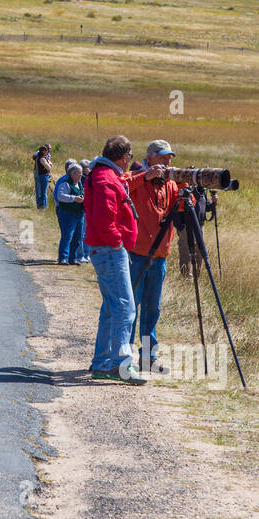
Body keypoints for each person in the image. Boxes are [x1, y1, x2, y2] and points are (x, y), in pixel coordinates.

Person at [85, 135, 163, 384]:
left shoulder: (105, 174)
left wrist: (145, 176)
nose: (130, 160)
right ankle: (121, 365)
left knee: (111, 307)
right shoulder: (105, 178)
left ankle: (102, 363)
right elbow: (103, 219)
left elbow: (124, 186)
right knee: (126, 308)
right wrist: (118, 242)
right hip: (110, 251)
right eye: (129, 156)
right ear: (123, 156)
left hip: (106, 249)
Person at [128, 140, 179, 375]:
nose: (168, 161)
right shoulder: (137, 176)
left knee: (152, 308)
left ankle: (148, 357)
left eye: (169, 157)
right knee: (131, 308)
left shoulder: (169, 184)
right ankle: (124, 356)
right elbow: (121, 186)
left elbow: (181, 210)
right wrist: (145, 177)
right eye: (163, 156)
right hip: (136, 255)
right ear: (149, 157)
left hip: (160, 256)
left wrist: (190, 189)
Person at [53, 161, 85, 264]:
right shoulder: (65, 184)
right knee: (67, 236)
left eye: (81, 172)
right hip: (67, 214)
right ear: (72, 173)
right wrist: (74, 198)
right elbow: (60, 196)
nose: (81, 175)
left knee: (78, 237)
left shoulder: (79, 184)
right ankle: (63, 258)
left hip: (79, 214)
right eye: (79, 173)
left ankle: (73, 258)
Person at [32, 144, 52, 208]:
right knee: (41, 191)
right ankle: (42, 206)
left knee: (42, 191)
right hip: (41, 175)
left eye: (49, 149)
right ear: (43, 151)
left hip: (42, 174)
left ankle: (40, 205)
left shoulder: (44, 156)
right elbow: (48, 166)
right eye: (47, 149)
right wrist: (49, 164)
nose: (48, 150)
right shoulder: (41, 157)